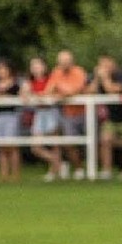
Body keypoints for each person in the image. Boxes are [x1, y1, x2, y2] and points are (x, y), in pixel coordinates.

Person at [89, 55, 122, 180]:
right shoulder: (99, 78)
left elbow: (113, 90)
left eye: (106, 64)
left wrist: (105, 78)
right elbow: (89, 91)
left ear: (113, 64)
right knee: (105, 141)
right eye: (101, 65)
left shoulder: (121, 76)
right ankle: (107, 171)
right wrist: (96, 79)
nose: (103, 68)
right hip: (112, 117)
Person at [43, 50, 89, 180]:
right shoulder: (56, 72)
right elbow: (48, 91)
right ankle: (78, 168)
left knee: (92, 142)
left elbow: (75, 89)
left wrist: (60, 89)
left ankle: (93, 169)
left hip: (85, 113)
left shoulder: (79, 72)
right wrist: (60, 91)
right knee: (70, 143)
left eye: (66, 61)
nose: (64, 64)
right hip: (68, 114)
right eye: (62, 62)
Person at [21, 56, 63, 181]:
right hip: (39, 113)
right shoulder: (28, 82)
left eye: (38, 65)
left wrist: (38, 96)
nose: (35, 68)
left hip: (51, 112)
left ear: (44, 66)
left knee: (55, 144)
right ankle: (58, 164)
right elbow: (25, 97)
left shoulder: (52, 79)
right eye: (33, 66)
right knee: (36, 147)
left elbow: (54, 94)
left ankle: (54, 171)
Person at [0, 58, 22, 182]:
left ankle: (15, 175)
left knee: (12, 146)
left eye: (3, 69)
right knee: (1, 147)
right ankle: (4, 174)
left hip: (11, 115)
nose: (0, 71)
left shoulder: (15, 84)